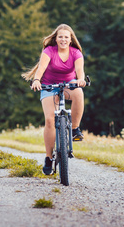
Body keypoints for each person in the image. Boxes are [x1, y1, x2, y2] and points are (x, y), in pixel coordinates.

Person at [21, 24, 87, 175]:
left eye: (66, 37)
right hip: (49, 86)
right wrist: (37, 80)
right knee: (50, 120)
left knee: (79, 93)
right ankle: (48, 158)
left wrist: (81, 80)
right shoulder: (49, 51)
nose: (63, 39)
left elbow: (80, 71)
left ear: (71, 40)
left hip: (68, 85)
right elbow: (41, 68)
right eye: (60, 37)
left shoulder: (76, 53)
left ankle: (75, 129)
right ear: (56, 39)